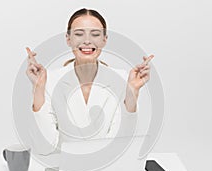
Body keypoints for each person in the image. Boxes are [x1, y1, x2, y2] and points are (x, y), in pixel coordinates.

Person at [25, 8, 153, 154]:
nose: (87, 41)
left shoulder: (124, 80)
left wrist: (131, 96)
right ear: (68, 39)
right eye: (79, 34)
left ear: (104, 40)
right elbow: (43, 148)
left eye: (95, 34)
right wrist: (38, 89)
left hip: (107, 169)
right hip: (64, 169)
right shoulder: (48, 81)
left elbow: (120, 148)